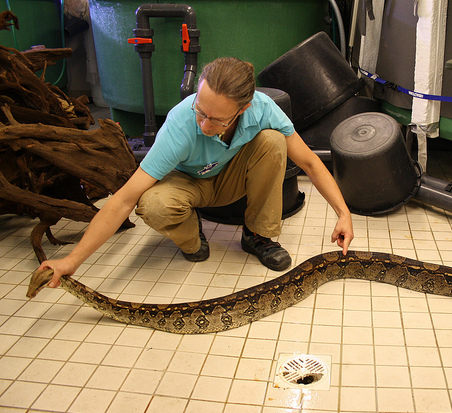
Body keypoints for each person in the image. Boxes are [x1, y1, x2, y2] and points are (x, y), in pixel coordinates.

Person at [38, 57, 354, 287]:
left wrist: (343, 213)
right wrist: (72, 260)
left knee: (273, 141)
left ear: (243, 109)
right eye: (200, 111)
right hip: (187, 183)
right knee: (152, 203)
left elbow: (310, 163)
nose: (203, 124)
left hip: (229, 177)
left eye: (216, 119)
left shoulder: (261, 109)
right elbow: (123, 200)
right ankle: (192, 237)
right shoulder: (180, 126)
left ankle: (257, 236)